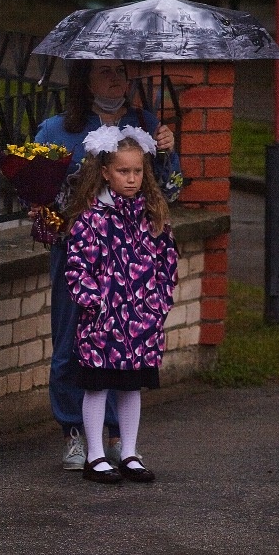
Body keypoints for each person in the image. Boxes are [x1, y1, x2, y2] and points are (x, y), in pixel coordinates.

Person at [32, 58, 183, 471]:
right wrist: (49, 206)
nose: (116, 79)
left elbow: (170, 190)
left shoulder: (147, 125)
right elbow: (40, 197)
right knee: (70, 344)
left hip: (132, 263)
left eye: (122, 71)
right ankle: (74, 433)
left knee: (126, 347)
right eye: (105, 71)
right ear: (84, 79)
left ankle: (118, 437)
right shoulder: (58, 130)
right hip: (80, 255)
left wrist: (167, 154)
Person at [64, 125, 178, 484]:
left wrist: (158, 303)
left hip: (141, 321)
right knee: (97, 385)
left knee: (131, 385)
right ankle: (95, 454)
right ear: (105, 172)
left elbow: (167, 262)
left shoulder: (151, 217)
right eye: (123, 171)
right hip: (102, 322)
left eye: (138, 171)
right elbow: (77, 266)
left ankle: (129, 451)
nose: (131, 179)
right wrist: (94, 302)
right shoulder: (91, 219)